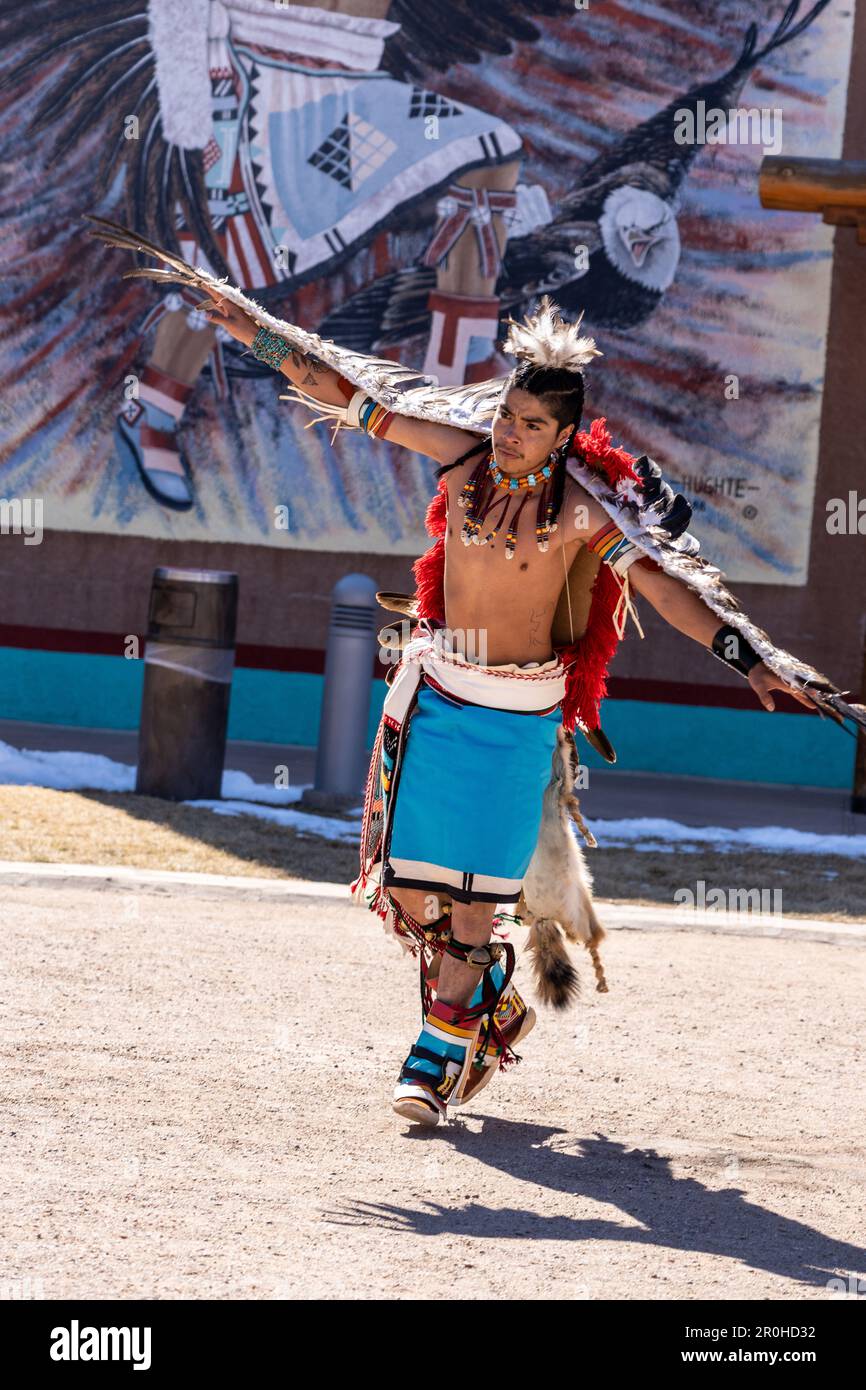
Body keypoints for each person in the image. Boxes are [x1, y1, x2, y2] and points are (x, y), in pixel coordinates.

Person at [189, 283, 831, 1129]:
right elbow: (353, 395)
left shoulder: (580, 510)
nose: (510, 431)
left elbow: (668, 591)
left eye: (531, 424)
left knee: (475, 899)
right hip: (435, 700)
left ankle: (433, 1059)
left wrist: (752, 660)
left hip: (518, 717)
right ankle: (491, 999)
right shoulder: (461, 459)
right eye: (507, 414)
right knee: (413, 893)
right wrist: (255, 334)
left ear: (566, 435)